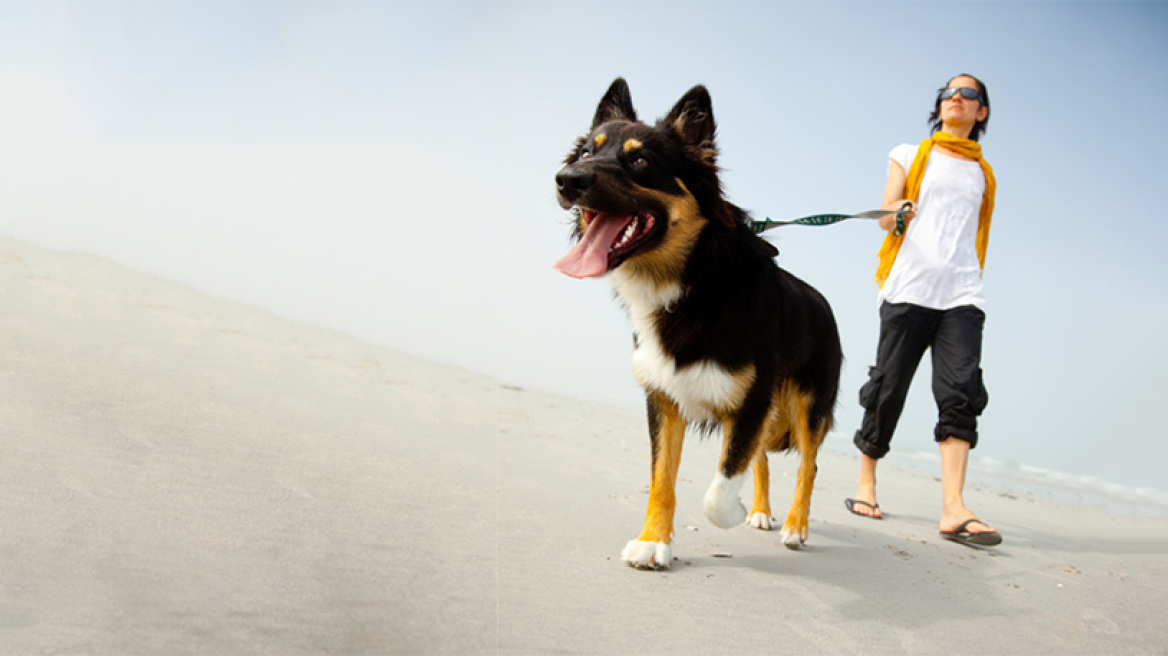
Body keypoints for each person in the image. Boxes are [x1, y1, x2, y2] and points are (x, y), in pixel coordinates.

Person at [845, 74, 1001, 547]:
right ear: (939, 109)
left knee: (960, 391)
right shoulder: (910, 153)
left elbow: (971, 234)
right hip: (909, 287)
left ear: (981, 112)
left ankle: (953, 508)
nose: (956, 97)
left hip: (962, 294)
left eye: (967, 93)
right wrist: (899, 214)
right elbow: (886, 215)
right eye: (948, 93)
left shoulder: (984, 174)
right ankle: (866, 482)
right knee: (888, 387)